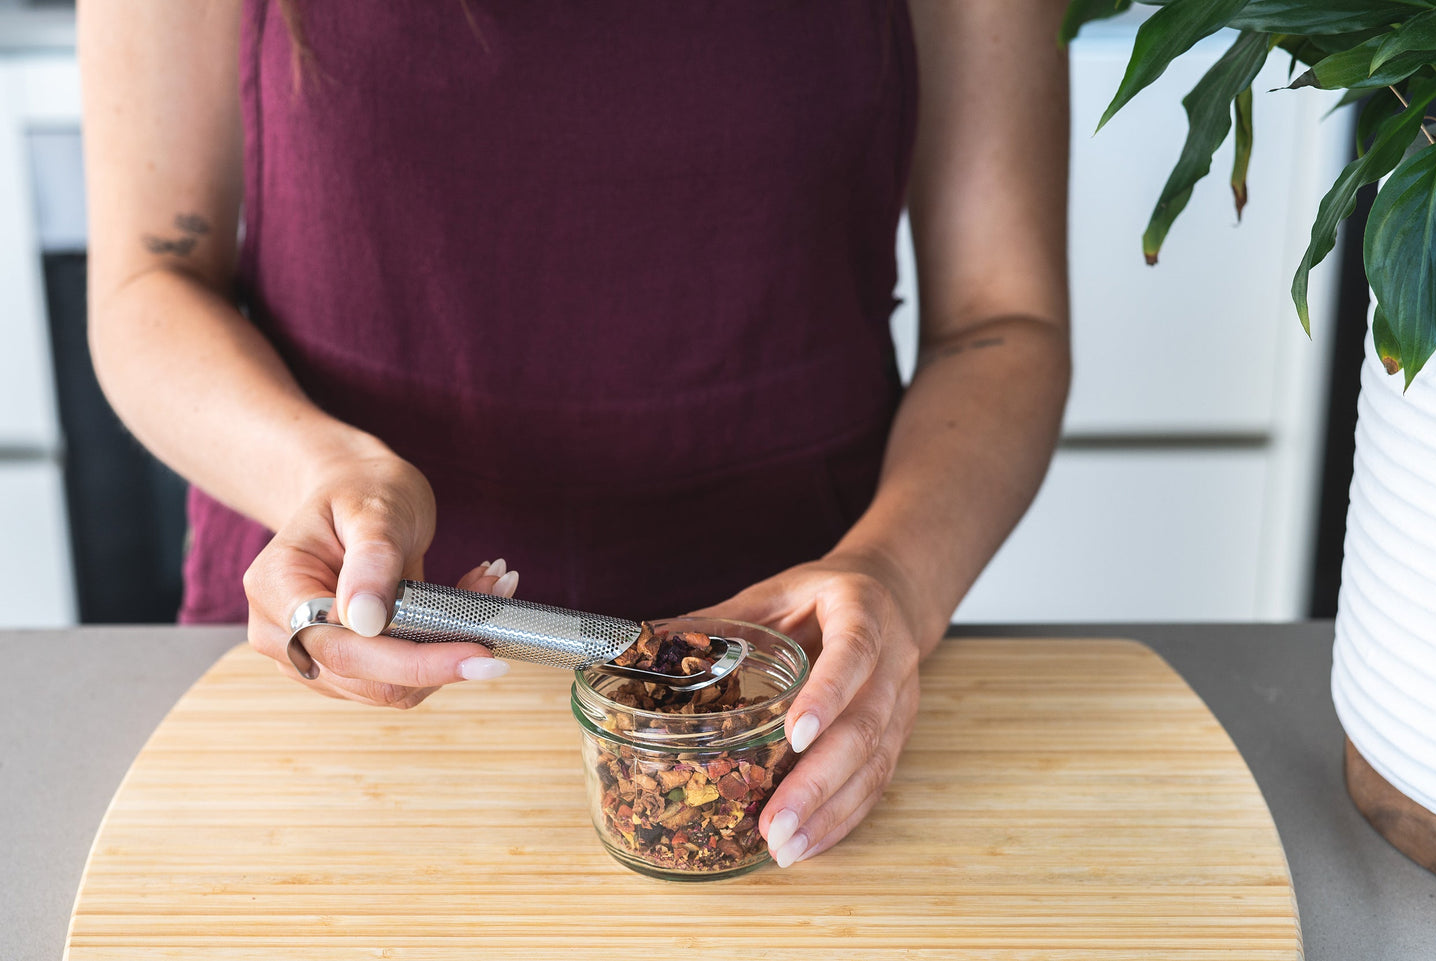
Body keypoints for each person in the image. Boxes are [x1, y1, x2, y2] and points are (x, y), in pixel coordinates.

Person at [78, 0, 1070, 871]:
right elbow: (147, 281)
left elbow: (1001, 319)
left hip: (805, 681)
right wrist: (320, 469)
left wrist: (893, 574)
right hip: (333, 640)